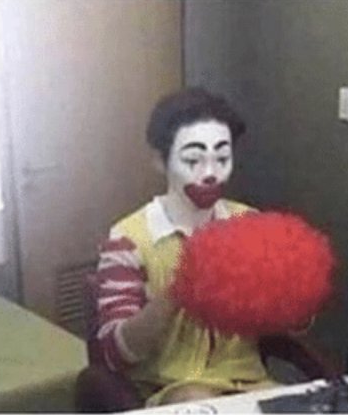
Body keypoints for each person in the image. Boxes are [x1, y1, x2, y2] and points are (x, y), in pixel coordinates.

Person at [94, 88, 281, 406]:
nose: (210, 174)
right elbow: (117, 353)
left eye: (222, 158)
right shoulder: (127, 238)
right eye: (193, 160)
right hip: (168, 388)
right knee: (196, 399)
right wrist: (179, 292)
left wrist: (293, 298)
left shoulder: (249, 223)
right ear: (160, 160)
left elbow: (283, 319)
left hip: (249, 383)